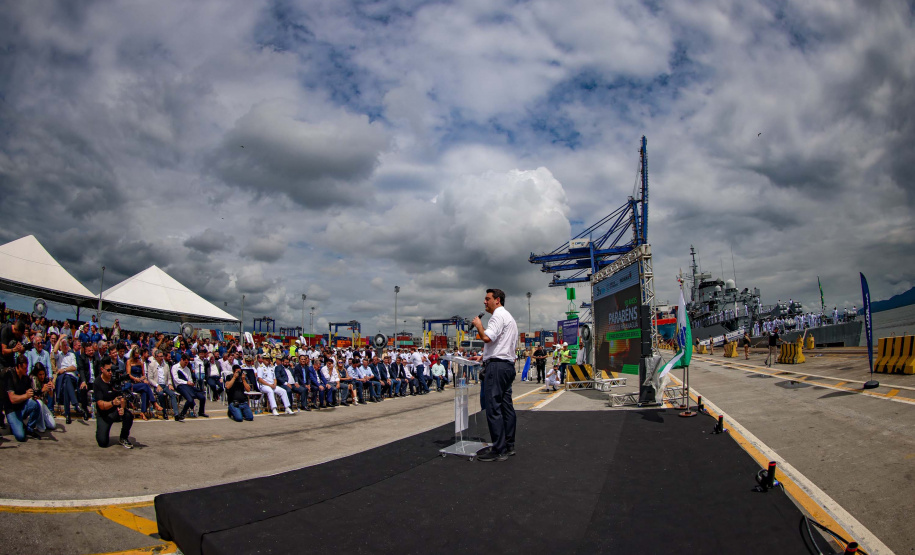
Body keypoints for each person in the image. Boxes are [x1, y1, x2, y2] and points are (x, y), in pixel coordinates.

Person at [471, 288, 518, 462]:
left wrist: (478, 325)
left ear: (497, 300)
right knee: (506, 407)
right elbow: (501, 344)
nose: (484, 302)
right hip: (507, 366)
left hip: (496, 367)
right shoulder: (509, 317)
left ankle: (498, 449)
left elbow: (487, 338)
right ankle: (508, 445)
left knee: (493, 407)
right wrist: (484, 356)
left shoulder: (497, 316)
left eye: (487, 298)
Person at [93, 356, 134, 448]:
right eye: (108, 370)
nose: (110, 372)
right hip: (104, 414)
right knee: (103, 443)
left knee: (128, 415)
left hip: (115, 411)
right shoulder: (98, 382)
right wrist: (112, 403)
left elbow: (122, 397)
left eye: (111, 370)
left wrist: (122, 408)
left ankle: (123, 437)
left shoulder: (115, 379)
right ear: (102, 369)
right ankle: (100, 431)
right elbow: (100, 404)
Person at [5, 355, 43, 441]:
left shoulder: (25, 377)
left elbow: (31, 392)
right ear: (19, 366)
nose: (26, 370)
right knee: (20, 436)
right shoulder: (10, 375)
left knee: (35, 405)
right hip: (12, 410)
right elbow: (12, 399)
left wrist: (41, 391)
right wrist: (25, 396)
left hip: (22, 407)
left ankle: (29, 428)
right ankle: (15, 424)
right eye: (25, 368)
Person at [170, 355, 209, 421]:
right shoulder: (175, 367)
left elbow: (189, 379)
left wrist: (191, 383)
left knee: (202, 397)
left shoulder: (187, 369)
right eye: (185, 362)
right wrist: (186, 382)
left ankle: (201, 412)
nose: (186, 364)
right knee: (190, 399)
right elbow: (176, 379)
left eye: (187, 363)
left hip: (188, 386)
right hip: (180, 386)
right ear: (181, 360)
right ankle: (182, 414)